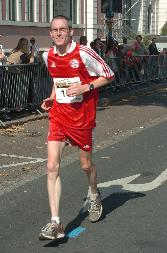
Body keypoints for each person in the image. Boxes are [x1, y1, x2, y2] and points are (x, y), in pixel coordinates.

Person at [40, 15, 114, 240]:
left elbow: (109, 75)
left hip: (81, 119)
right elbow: (57, 79)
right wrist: (53, 97)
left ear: (70, 32)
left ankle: (93, 193)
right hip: (59, 116)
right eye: (55, 30)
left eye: (63, 29)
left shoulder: (83, 52)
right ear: (51, 34)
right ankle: (55, 223)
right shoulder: (47, 55)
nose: (59, 33)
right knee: (52, 166)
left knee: (85, 165)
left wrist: (85, 86)